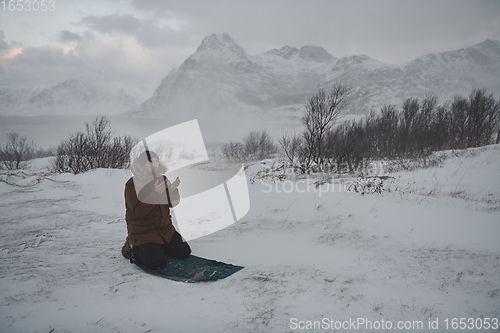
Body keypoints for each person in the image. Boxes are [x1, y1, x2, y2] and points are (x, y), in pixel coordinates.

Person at [121, 150, 191, 269]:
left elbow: (172, 203)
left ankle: (158, 245)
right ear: (142, 165)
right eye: (150, 162)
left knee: (184, 252)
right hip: (144, 231)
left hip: (165, 229)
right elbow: (139, 211)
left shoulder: (161, 179)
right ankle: (132, 246)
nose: (155, 165)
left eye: (156, 161)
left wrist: (172, 190)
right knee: (157, 262)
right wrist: (156, 193)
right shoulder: (132, 184)